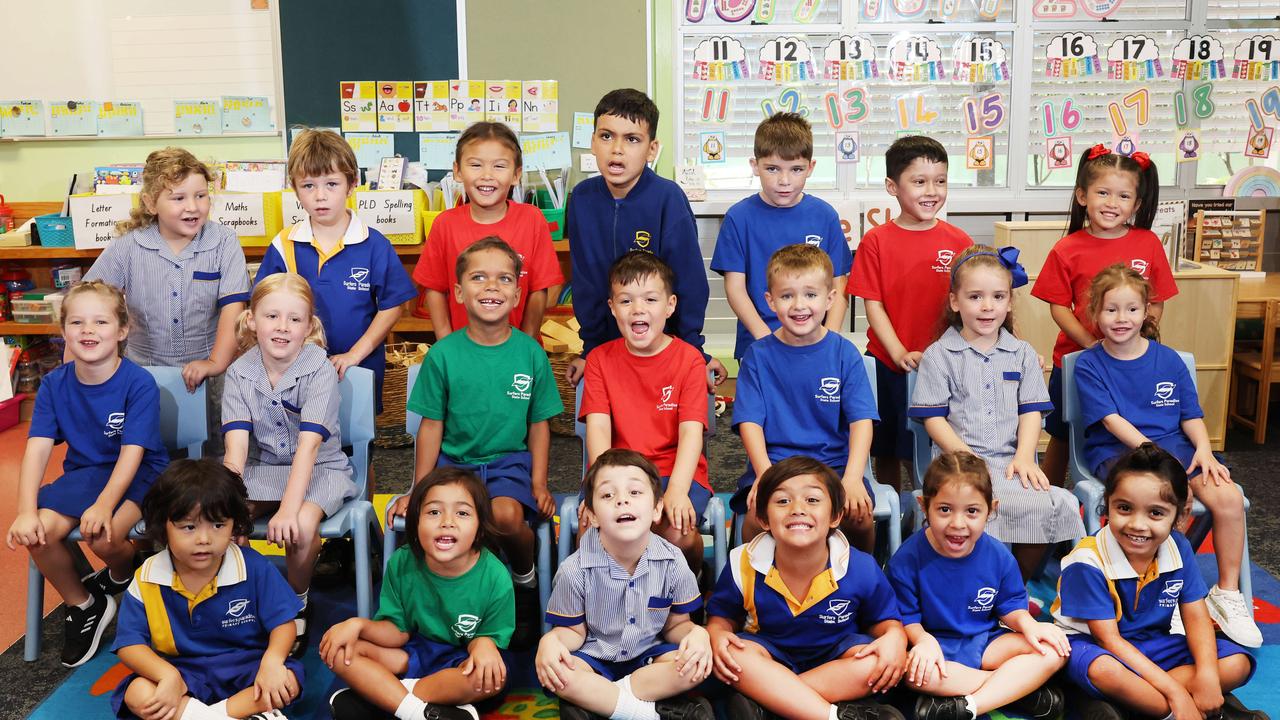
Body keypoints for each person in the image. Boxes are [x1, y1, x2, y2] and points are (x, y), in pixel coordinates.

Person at [1074, 264, 1261, 647]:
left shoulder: (1170, 360)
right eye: (1111, 310)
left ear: (1147, 313)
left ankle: (1226, 594)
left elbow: (1191, 415)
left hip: (1177, 446)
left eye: (1131, 309)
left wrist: (1205, 450)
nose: (1121, 318)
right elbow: (1111, 422)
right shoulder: (1089, 364)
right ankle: (1166, 588)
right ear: (1095, 313)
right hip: (1119, 452)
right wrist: (1165, 465)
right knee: (1158, 497)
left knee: (1227, 498)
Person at [399, 237, 563, 646]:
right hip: (455, 465)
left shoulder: (530, 353)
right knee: (438, 519)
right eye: (478, 278)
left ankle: (525, 577)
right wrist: (418, 488)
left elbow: (540, 424)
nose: (491, 287)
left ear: (517, 293)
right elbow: (431, 426)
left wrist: (539, 483)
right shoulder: (443, 355)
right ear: (458, 292)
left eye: (504, 278)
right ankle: (450, 599)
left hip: (509, 463)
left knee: (506, 516)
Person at [6, 281, 169, 667]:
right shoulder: (54, 384)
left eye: (100, 321)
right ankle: (85, 604)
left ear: (122, 330)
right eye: (77, 322)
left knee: (104, 533)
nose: (88, 330)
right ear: (63, 331)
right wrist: (25, 510)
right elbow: (37, 449)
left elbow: (133, 454)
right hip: (86, 473)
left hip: (140, 473)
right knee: (39, 533)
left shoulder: (137, 382)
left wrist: (104, 504)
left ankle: (124, 570)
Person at [909, 245, 1084, 581]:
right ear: (955, 302)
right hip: (956, 464)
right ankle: (977, 585)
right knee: (974, 506)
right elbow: (933, 419)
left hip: (1010, 464)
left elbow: (1031, 411)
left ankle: (1012, 587)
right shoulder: (939, 355)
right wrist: (967, 458)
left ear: (1008, 302)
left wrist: (1025, 458)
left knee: (1056, 502)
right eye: (975, 297)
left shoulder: (1022, 354)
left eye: (998, 297)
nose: (987, 307)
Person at [1052, 444, 1264, 720]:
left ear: (1179, 516)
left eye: (1155, 513)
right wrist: (1177, 693)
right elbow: (1110, 641)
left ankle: (1133, 704)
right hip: (1094, 647)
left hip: (1154, 644)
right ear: (1108, 504)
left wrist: (1209, 675)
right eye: (1125, 508)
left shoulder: (1178, 546)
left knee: (1237, 663)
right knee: (1105, 671)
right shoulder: (1087, 561)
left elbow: (1196, 615)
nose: (1138, 525)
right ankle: (1183, 709)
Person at [707, 456, 907, 720]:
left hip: (836, 660)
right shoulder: (742, 562)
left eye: (812, 500)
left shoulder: (861, 567)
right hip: (769, 655)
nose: (797, 508)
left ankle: (772, 705)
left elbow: (887, 624)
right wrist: (717, 634)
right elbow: (721, 619)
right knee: (733, 653)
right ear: (763, 519)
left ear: (835, 516)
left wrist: (896, 638)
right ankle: (830, 713)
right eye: (782, 501)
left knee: (875, 659)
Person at [222, 272, 357, 657]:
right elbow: (235, 453)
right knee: (223, 521)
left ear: (309, 326)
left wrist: (289, 508)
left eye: (295, 319)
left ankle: (297, 601)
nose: (282, 328)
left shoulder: (319, 369)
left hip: (321, 470)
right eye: (271, 316)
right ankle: (240, 597)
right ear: (251, 319)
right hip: (262, 471)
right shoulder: (239, 372)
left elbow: (310, 449)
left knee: (298, 528)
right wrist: (230, 507)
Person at [111, 459, 302, 720]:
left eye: (218, 525)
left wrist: (271, 661)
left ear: (235, 524)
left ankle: (202, 717)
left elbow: (284, 623)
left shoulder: (254, 566)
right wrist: (167, 675)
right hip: (182, 671)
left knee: (288, 680)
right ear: (163, 527)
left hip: (247, 666)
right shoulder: (147, 578)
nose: (204, 539)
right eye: (189, 527)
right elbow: (130, 644)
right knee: (137, 691)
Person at [1030, 143, 1173, 488]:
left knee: (1124, 429)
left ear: (1137, 204)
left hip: (1131, 364)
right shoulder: (1067, 248)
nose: (1112, 203)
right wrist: (1091, 345)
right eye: (1103, 193)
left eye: (1124, 196)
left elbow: (1156, 299)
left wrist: (1144, 335)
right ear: (1082, 196)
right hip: (1075, 363)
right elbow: (1058, 307)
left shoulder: (1148, 243)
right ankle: (1044, 502)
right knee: (1063, 437)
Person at [564, 88, 725, 391]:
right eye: (607, 136)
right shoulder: (582, 199)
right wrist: (591, 350)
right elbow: (585, 282)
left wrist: (693, 350)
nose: (617, 149)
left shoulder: (668, 198)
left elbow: (689, 282)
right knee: (598, 431)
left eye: (632, 139)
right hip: (606, 348)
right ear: (593, 142)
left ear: (652, 149)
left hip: (664, 345)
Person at [887, 452, 1068, 720]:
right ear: (924, 506)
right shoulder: (907, 559)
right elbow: (905, 619)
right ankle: (1018, 689)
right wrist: (923, 641)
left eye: (972, 511)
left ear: (990, 510)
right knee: (911, 673)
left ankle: (971, 705)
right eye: (944, 509)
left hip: (985, 643)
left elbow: (1010, 607)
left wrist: (1030, 625)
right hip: (937, 649)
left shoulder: (998, 556)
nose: (958, 524)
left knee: (1054, 650)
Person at [324, 468, 514, 720]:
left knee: (491, 679)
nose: (447, 521)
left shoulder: (495, 576)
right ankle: (423, 712)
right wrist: (356, 625)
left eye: (463, 513)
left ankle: (385, 699)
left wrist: (485, 646)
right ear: (415, 525)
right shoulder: (401, 563)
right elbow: (397, 632)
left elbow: (489, 638)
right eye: (434, 512)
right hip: (412, 654)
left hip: (460, 660)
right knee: (338, 651)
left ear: (479, 530)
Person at [536, 449, 714, 720]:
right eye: (608, 495)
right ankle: (647, 712)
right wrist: (551, 641)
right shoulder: (574, 570)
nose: (622, 501)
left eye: (635, 493)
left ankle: (603, 703)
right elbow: (573, 633)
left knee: (694, 666)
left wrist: (697, 635)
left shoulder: (673, 561)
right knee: (561, 674)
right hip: (595, 659)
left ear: (656, 509)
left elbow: (677, 625)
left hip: (650, 657)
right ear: (592, 515)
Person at [256, 128, 417, 412]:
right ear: (294, 188)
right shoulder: (284, 244)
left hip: (358, 369)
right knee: (300, 444)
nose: (320, 196)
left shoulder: (374, 244)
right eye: (308, 186)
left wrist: (355, 354)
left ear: (352, 184)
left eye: (331, 184)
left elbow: (392, 305)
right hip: (294, 372)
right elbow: (262, 307)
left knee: (356, 443)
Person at [732, 245, 878, 551]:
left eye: (810, 295)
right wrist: (764, 474)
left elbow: (862, 421)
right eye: (787, 296)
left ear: (830, 298)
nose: (800, 305)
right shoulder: (757, 357)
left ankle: (863, 578)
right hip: (775, 465)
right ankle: (755, 586)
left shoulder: (844, 353)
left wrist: (852, 478)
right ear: (770, 301)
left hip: (833, 466)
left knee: (859, 516)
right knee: (755, 519)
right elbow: (749, 423)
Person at [847, 136, 973, 491]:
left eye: (940, 180)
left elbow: (972, 305)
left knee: (931, 444)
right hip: (890, 363)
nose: (931, 190)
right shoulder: (876, 241)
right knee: (887, 447)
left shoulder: (959, 241)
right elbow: (874, 304)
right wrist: (899, 351)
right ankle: (893, 514)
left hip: (946, 365)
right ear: (892, 186)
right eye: (919, 181)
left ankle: (926, 506)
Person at [580, 251, 710, 573]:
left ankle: (687, 597)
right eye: (626, 301)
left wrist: (678, 489)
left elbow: (691, 432)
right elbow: (598, 432)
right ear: (612, 308)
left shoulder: (690, 359)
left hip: (674, 471)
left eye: (650, 299)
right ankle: (605, 608)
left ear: (670, 306)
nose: (638, 309)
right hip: (619, 472)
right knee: (592, 535)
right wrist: (602, 485)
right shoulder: (599, 360)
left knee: (678, 534)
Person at [85, 147, 249, 393]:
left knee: (213, 431)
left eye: (201, 196)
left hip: (211, 376)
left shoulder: (224, 242)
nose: (193, 207)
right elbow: (87, 301)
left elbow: (233, 308)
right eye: (179, 198)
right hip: (142, 376)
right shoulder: (128, 245)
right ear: (151, 203)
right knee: (145, 430)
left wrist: (214, 363)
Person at [710, 111, 851, 360]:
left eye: (796, 169)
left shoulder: (824, 215)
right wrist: (766, 340)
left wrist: (830, 339)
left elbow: (839, 286)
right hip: (758, 344)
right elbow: (735, 289)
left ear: (811, 167)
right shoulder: (739, 217)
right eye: (773, 168)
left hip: (815, 345)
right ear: (755, 166)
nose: (784, 180)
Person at [412, 121, 562, 340]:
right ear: (457, 171)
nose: (487, 175)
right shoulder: (445, 224)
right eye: (475, 165)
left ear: (516, 175)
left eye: (499, 166)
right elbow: (435, 289)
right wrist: (446, 344)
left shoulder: (532, 219)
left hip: (518, 353)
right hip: (463, 353)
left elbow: (538, 290)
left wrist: (526, 345)